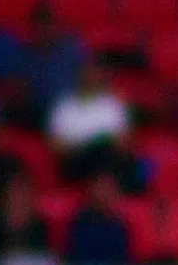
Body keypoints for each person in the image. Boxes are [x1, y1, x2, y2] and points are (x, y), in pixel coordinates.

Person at [48, 61, 143, 193]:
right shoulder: (64, 105)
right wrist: (89, 144)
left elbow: (124, 142)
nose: (91, 78)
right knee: (100, 154)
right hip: (76, 162)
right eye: (88, 74)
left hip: (109, 160)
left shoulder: (114, 104)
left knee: (113, 157)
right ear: (79, 76)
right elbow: (57, 146)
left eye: (95, 74)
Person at [65, 173, 132, 265]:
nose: (103, 194)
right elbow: (76, 262)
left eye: (108, 190)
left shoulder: (120, 227)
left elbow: (122, 263)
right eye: (100, 189)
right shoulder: (79, 225)